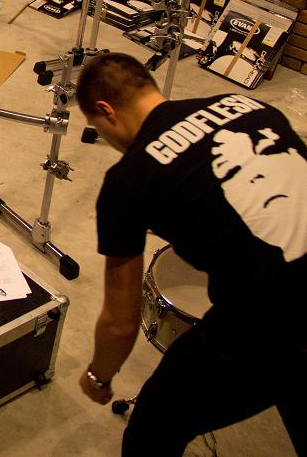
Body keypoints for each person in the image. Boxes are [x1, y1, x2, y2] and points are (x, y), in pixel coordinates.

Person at [75, 51, 305, 455]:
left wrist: (98, 375)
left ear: (106, 111)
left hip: (271, 326)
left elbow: (120, 322)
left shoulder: (128, 180)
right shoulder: (248, 105)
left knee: (154, 425)